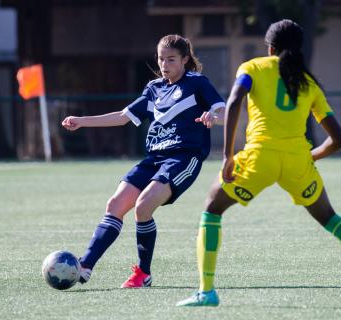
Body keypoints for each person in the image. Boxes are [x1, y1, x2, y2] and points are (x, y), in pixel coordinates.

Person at [177, 19, 341, 306]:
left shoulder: (252, 68)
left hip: (259, 158)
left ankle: (206, 291)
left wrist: (227, 155)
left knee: (212, 209)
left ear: (270, 47)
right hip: (298, 160)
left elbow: (235, 101)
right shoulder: (309, 83)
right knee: (330, 218)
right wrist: (311, 156)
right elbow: (338, 139)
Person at [62, 34, 225, 288]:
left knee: (143, 206)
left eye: (171, 59)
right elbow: (122, 116)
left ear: (184, 60)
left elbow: (225, 111)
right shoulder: (154, 88)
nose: (165, 64)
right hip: (154, 159)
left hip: (183, 158)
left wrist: (214, 116)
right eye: (161, 59)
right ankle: (85, 266)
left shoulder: (197, 83)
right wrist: (82, 121)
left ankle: (143, 274)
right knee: (115, 204)